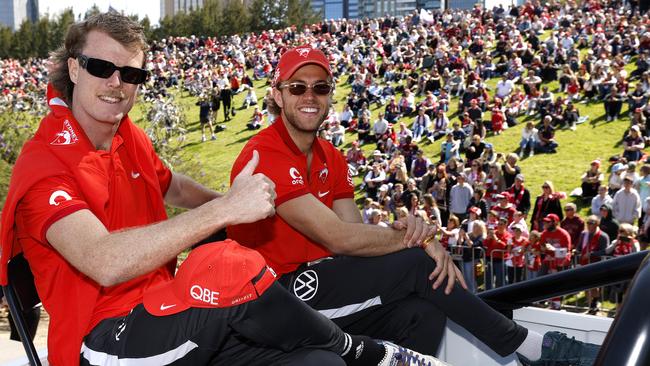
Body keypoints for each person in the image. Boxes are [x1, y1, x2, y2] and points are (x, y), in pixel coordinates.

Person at [0, 17, 430, 366]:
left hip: (161, 307)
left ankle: (349, 352)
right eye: (101, 68)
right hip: (100, 341)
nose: (116, 83)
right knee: (226, 266)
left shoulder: (125, 134)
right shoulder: (44, 167)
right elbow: (103, 261)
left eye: (131, 73)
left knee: (318, 363)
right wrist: (225, 210)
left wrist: (241, 205)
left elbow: (174, 186)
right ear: (74, 69)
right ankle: (367, 353)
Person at [228, 45, 599, 366]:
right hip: (268, 296)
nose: (310, 96)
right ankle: (532, 347)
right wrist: (418, 240)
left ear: (329, 96)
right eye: (297, 87)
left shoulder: (332, 157)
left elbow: (357, 238)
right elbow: (339, 238)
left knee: (420, 314)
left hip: (317, 286)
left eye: (320, 88)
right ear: (278, 95)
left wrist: (405, 232)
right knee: (419, 264)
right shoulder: (263, 152)